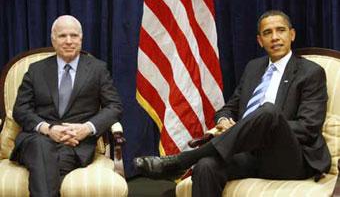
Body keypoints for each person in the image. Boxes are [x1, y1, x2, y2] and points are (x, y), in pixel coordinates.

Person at [134, 10, 331, 197]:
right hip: (249, 154)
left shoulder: (311, 72)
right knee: (206, 166)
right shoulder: (254, 68)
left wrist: (259, 127)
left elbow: (308, 127)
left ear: (292, 34)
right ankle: (192, 160)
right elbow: (229, 108)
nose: (275, 37)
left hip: (290, 158)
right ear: (260, 41)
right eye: (267, 33)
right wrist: (224, 119)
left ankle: (182, 160)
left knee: (268, 112)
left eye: (281, 30)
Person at [10, 15, 123, 197]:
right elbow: (21, 109)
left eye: (74, 35)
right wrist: (48, 129)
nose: (69, 41)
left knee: (48, 167)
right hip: (37, 139)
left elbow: (114, 107)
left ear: (81, 38)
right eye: (62, 36)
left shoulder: (97, 69)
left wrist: (87, 128)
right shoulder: (36, 70)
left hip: (75, 144)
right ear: (53, 39)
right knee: (41, 148)